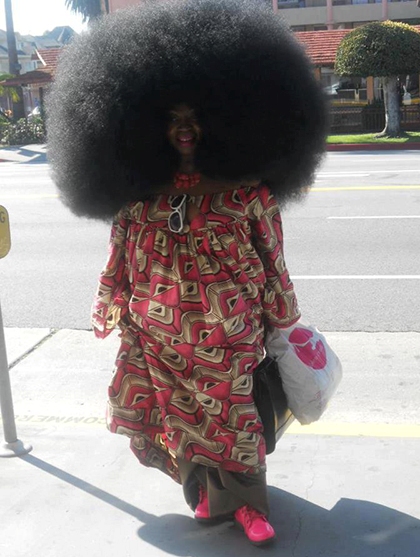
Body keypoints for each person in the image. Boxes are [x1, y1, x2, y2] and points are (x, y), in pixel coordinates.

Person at [47, 0, 327, 547]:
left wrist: (283, 319)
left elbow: (273, 259)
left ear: (225, 119)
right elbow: (118, 256)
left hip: (230, 333)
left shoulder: (247, 193)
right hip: (157, 330)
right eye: (171, 118)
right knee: (179, 415)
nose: (183, 129)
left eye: (195, 116)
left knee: (233, 415)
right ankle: (203, 493)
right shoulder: (139, 198)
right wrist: (109, 304)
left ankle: (250, 507)